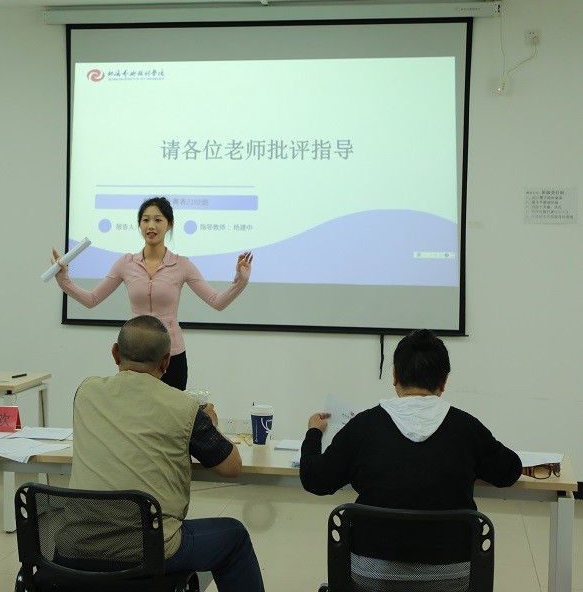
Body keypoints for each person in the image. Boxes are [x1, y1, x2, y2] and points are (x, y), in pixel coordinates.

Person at [300, 329, 521, 585]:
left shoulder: (363, 426)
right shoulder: (466, 427)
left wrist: (314, 434)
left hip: (372, 572)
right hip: (452, 573)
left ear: (394, 375)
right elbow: (509, 471)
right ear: (444, 381)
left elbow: (315, 479)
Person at [69, 315, 265, 591]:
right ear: (166, 362)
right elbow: (231, 467)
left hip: (76, 545)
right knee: (234, 536)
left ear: (115, 353)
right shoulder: (184, 407)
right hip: (148, 549)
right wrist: (209, 425)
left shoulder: (85, 391)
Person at [52, 196, 253, 390]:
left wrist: (240, 281)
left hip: (171, 355)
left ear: (169, 224)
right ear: (139, 224)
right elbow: (92, 299)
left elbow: (217, 301)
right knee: (134, 411)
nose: (151, 226)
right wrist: (64, 280)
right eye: (145, 220)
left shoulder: (182, 265)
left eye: (158, 220)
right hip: (134, 355)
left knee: (172, 412)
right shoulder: (126, 263)